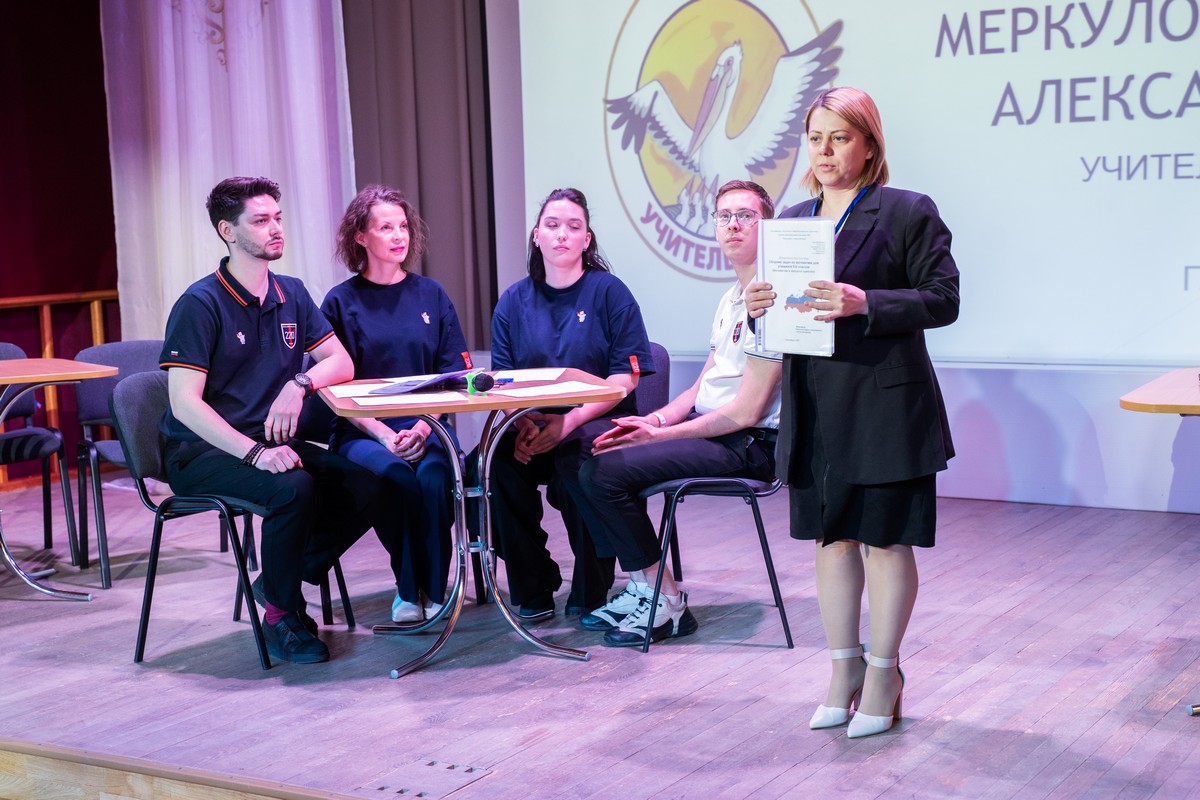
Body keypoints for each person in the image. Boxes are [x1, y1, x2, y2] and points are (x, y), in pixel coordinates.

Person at [746, 87, 960, 737]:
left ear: (869, 145)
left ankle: (885, 673)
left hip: (884, 406)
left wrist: (867, 302)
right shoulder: (792, 220)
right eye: (816, 138)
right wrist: (760, 307)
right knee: (830, 540)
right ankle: (843, 670)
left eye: (840, 137)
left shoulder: (906, 211)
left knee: (884, 540)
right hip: (814, 405)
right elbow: (781, 320)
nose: (825, 150)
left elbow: (943, 299)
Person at [159, 176, 385, 664]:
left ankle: (277, 583)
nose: (276, 228)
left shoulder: (291, 293)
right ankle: (282, 615)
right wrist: (255, 454)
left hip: (270, 442)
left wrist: (297, 385)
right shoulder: (200, 303)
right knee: (294, 489)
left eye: (278, 218)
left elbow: (340, 363)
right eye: (261, 221)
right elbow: (184, 404)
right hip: (203, 452)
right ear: (228, 231)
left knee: (368, 485)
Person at [571, 179, 783, 648]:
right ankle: (644, 586)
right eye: (724, 215)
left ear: (768, 227)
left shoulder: (773, 299)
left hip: (748, 445)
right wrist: (656, 421)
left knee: (602, 474)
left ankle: (665, 600)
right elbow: (701, 385)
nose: (732, 225)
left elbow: (746, 412)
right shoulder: (731, 297)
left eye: (745, 215)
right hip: (713, 434)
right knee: (587, 453)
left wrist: (657, 438)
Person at [480, 187, 656, 622]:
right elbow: (502, 381)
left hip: (597, 420)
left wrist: (569, 422)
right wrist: (521, 424)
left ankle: (592, 589)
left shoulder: (610, 293)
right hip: (532, 422)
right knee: (494, 465)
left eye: (573, 227)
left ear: (586, 239)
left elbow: (624, 378)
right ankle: (534, 584)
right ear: (536, 235)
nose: (562, 234)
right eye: (553, 225)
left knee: (575, 463)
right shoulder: (512, 302)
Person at [321, 185, 469, 623]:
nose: (399, 235)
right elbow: (334, 388)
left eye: (402, 226)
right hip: (363, 429)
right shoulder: (340, 302)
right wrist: (385, 435)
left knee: (436, 477)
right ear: (360, 237)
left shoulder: (432, 294)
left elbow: (454, 379)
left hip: (428, 426)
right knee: (394, 476)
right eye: (386, 227)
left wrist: (422, 428)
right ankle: (408, 590)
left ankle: (434, 589)